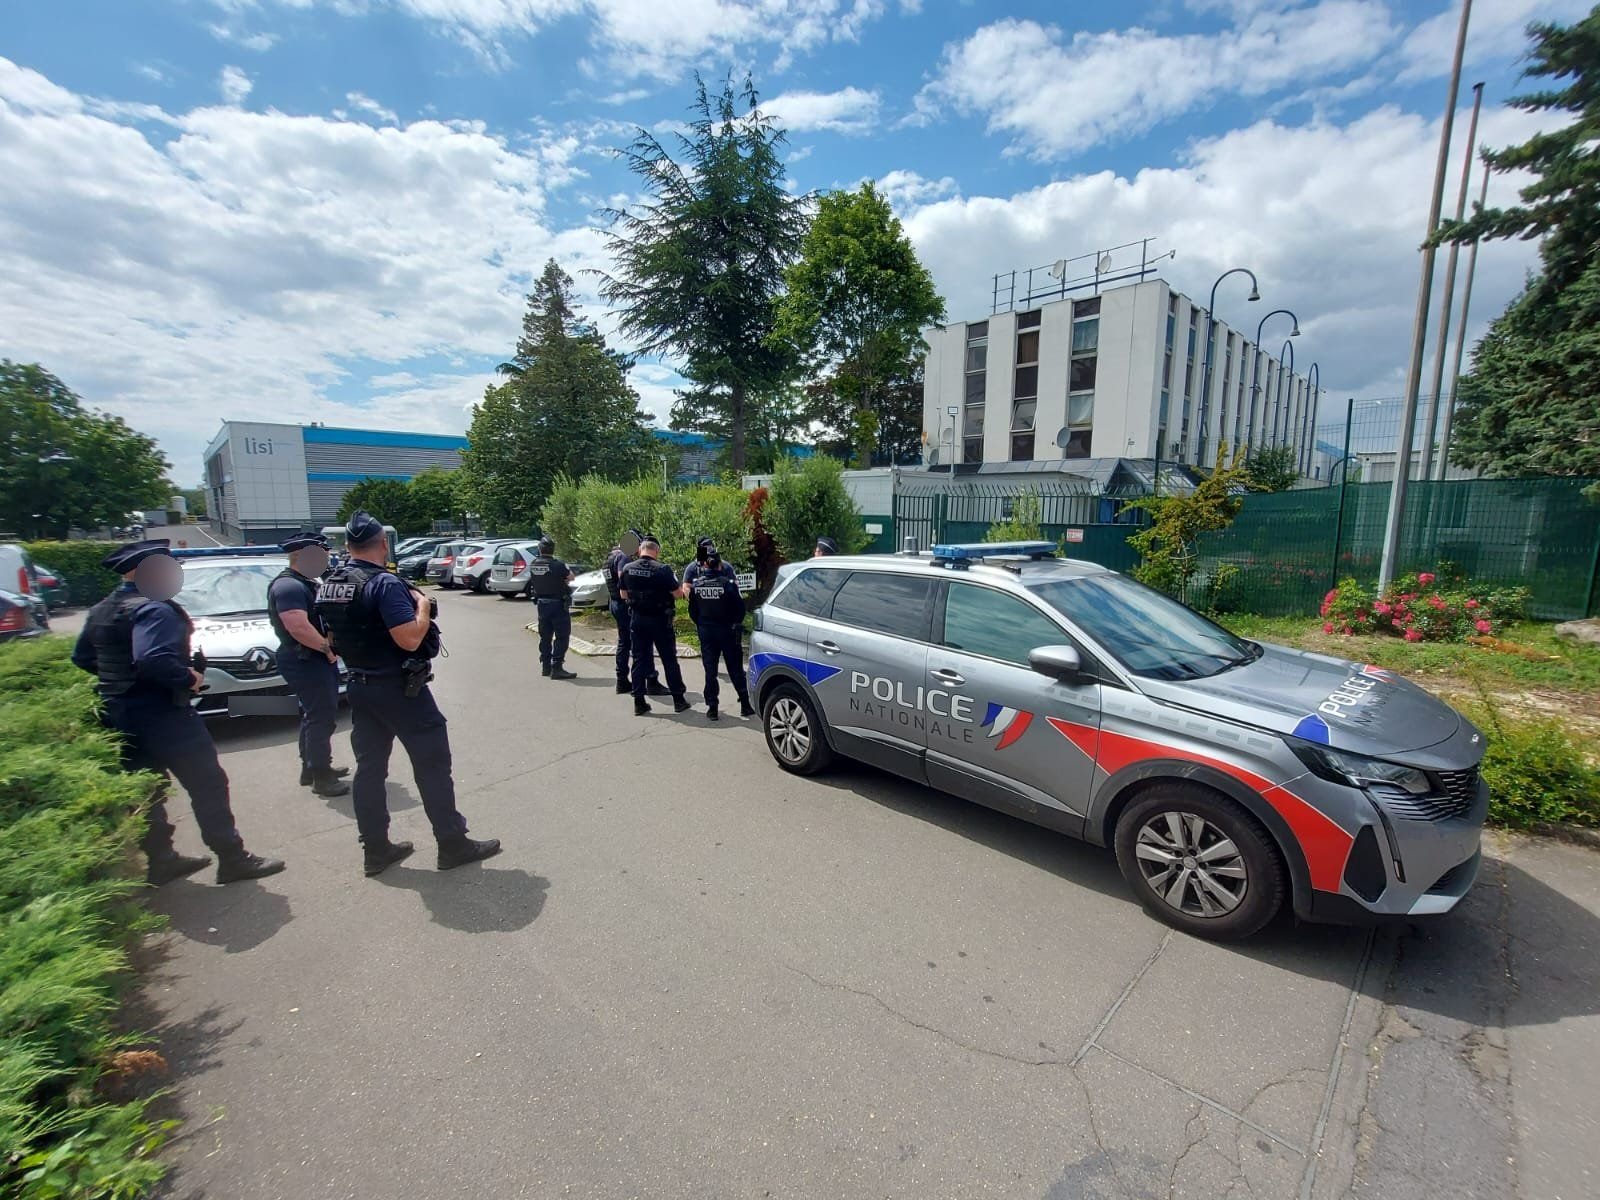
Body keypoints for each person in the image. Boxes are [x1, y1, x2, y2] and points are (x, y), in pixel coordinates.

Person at [71, 540, 285, 886]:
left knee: (147, 788)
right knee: (207, 783)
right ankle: (232, 858)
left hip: (119, 712)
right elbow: (153, 658)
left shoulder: (103, 609)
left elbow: (81, 658)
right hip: (163, 713)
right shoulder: (154, 609)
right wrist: (189, 677)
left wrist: (124, 680)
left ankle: (161, 860)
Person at [315, 511, 500, 877]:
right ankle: (452, 843)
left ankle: (376, 850)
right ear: (383, 544)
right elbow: (409, 637)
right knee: (432, 766)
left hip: (360, 686)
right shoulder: (384, 584)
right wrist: (423, 608)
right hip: (400, 689)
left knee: (369, 770)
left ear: (348, 545)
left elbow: (331, 643)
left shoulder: (331, 584)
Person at [267, 530, 349, 797]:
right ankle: (321, 777)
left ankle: (311, 768)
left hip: (308, 657)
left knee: (315, 715)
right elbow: (298, 626)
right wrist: (327, 650)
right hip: (305, 658)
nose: (327, 556)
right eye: (322, 553)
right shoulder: (289, 586)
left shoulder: (304, 581)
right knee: (321, 718)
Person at [619, 535, 691, 717]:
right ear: (656, 551)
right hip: (660, 620)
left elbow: (623, 595)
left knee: (639, 659)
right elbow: (677, 594)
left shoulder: (628, 568)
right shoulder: (663, 570)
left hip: (638, 620)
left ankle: (639, 702)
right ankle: (678, 701)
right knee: (669, 660)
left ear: (640, 549)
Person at [686, 542, 754, 721]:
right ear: (720, 564)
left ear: (705, 564)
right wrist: (734, 623)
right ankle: (745, 704)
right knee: (735, 669)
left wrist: (701, 624)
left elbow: (692, 610)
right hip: (727, 631)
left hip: (706, 632)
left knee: (710, 670)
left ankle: (712, 708)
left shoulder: (697, 585)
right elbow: (740, 609)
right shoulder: (728, 584)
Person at [603, 529, 664, 697]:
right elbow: (626, 580)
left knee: (624, 643)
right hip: (625, 605)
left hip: (615, 603)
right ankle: (651, 681)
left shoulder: (610, 556)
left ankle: (622, 680)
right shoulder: (623, 557)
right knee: (643, 642)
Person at [527, 535, 576, 681]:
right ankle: (557, 667)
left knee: (545, 636)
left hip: (542, 604)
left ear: (540, 549)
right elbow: (571, 577)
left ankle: (545, 666)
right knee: (562, 636)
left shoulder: (534, 564)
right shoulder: (559, 565)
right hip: (558, 604)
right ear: (553, 549)